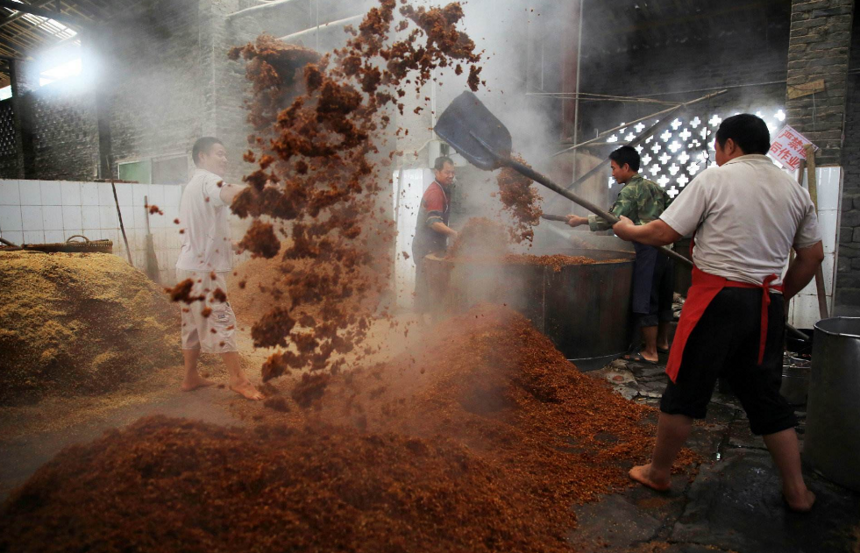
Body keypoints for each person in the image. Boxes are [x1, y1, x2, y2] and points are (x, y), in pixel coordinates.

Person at [612, 114, 823, 512]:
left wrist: (628, 230)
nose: (717, 154)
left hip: (716, 303)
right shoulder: (796, 192)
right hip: (764, 305)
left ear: (729, 145)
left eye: (717, 147)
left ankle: (658, 473)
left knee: (686, 388)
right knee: (764, 397)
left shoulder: (716, 178)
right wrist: (778, 298)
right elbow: (813, 256)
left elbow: (663, 232)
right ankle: (797, 491)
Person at [175, 137, 263, 401]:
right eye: (219, 154)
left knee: (191, 324)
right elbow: (228, 194)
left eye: (226, 154)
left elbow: (204, 229)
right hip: (204, 273)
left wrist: (231, 244)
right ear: (202, 157)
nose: (225, 159)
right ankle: (239, 380)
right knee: (222, 321)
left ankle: (190, 377)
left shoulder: (194, 185)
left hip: (187, 269)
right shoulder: (208, 180)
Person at [566, 145, 673, 364]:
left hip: (648, 248)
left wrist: (581, 221)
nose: (612, 173)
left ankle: (650, 352)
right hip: (666, 249)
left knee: (646, 299)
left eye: (614, 168)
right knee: (663, 298)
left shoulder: (630, 190)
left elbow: (612, 218)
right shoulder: (655, 187)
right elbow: (672, 210)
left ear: (626, 166)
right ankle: (662, 343)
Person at [411, 156, 458, 314]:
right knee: (425, 285)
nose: (450, 175)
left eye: (452, 172)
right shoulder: (435, 192)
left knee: (433, 285)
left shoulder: (444, 188)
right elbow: (433, 222)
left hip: (434, 245)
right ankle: (421, 323)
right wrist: (454, 234)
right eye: (447, 172)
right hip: (425, 247)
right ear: (436, 172)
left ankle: (432, 319)